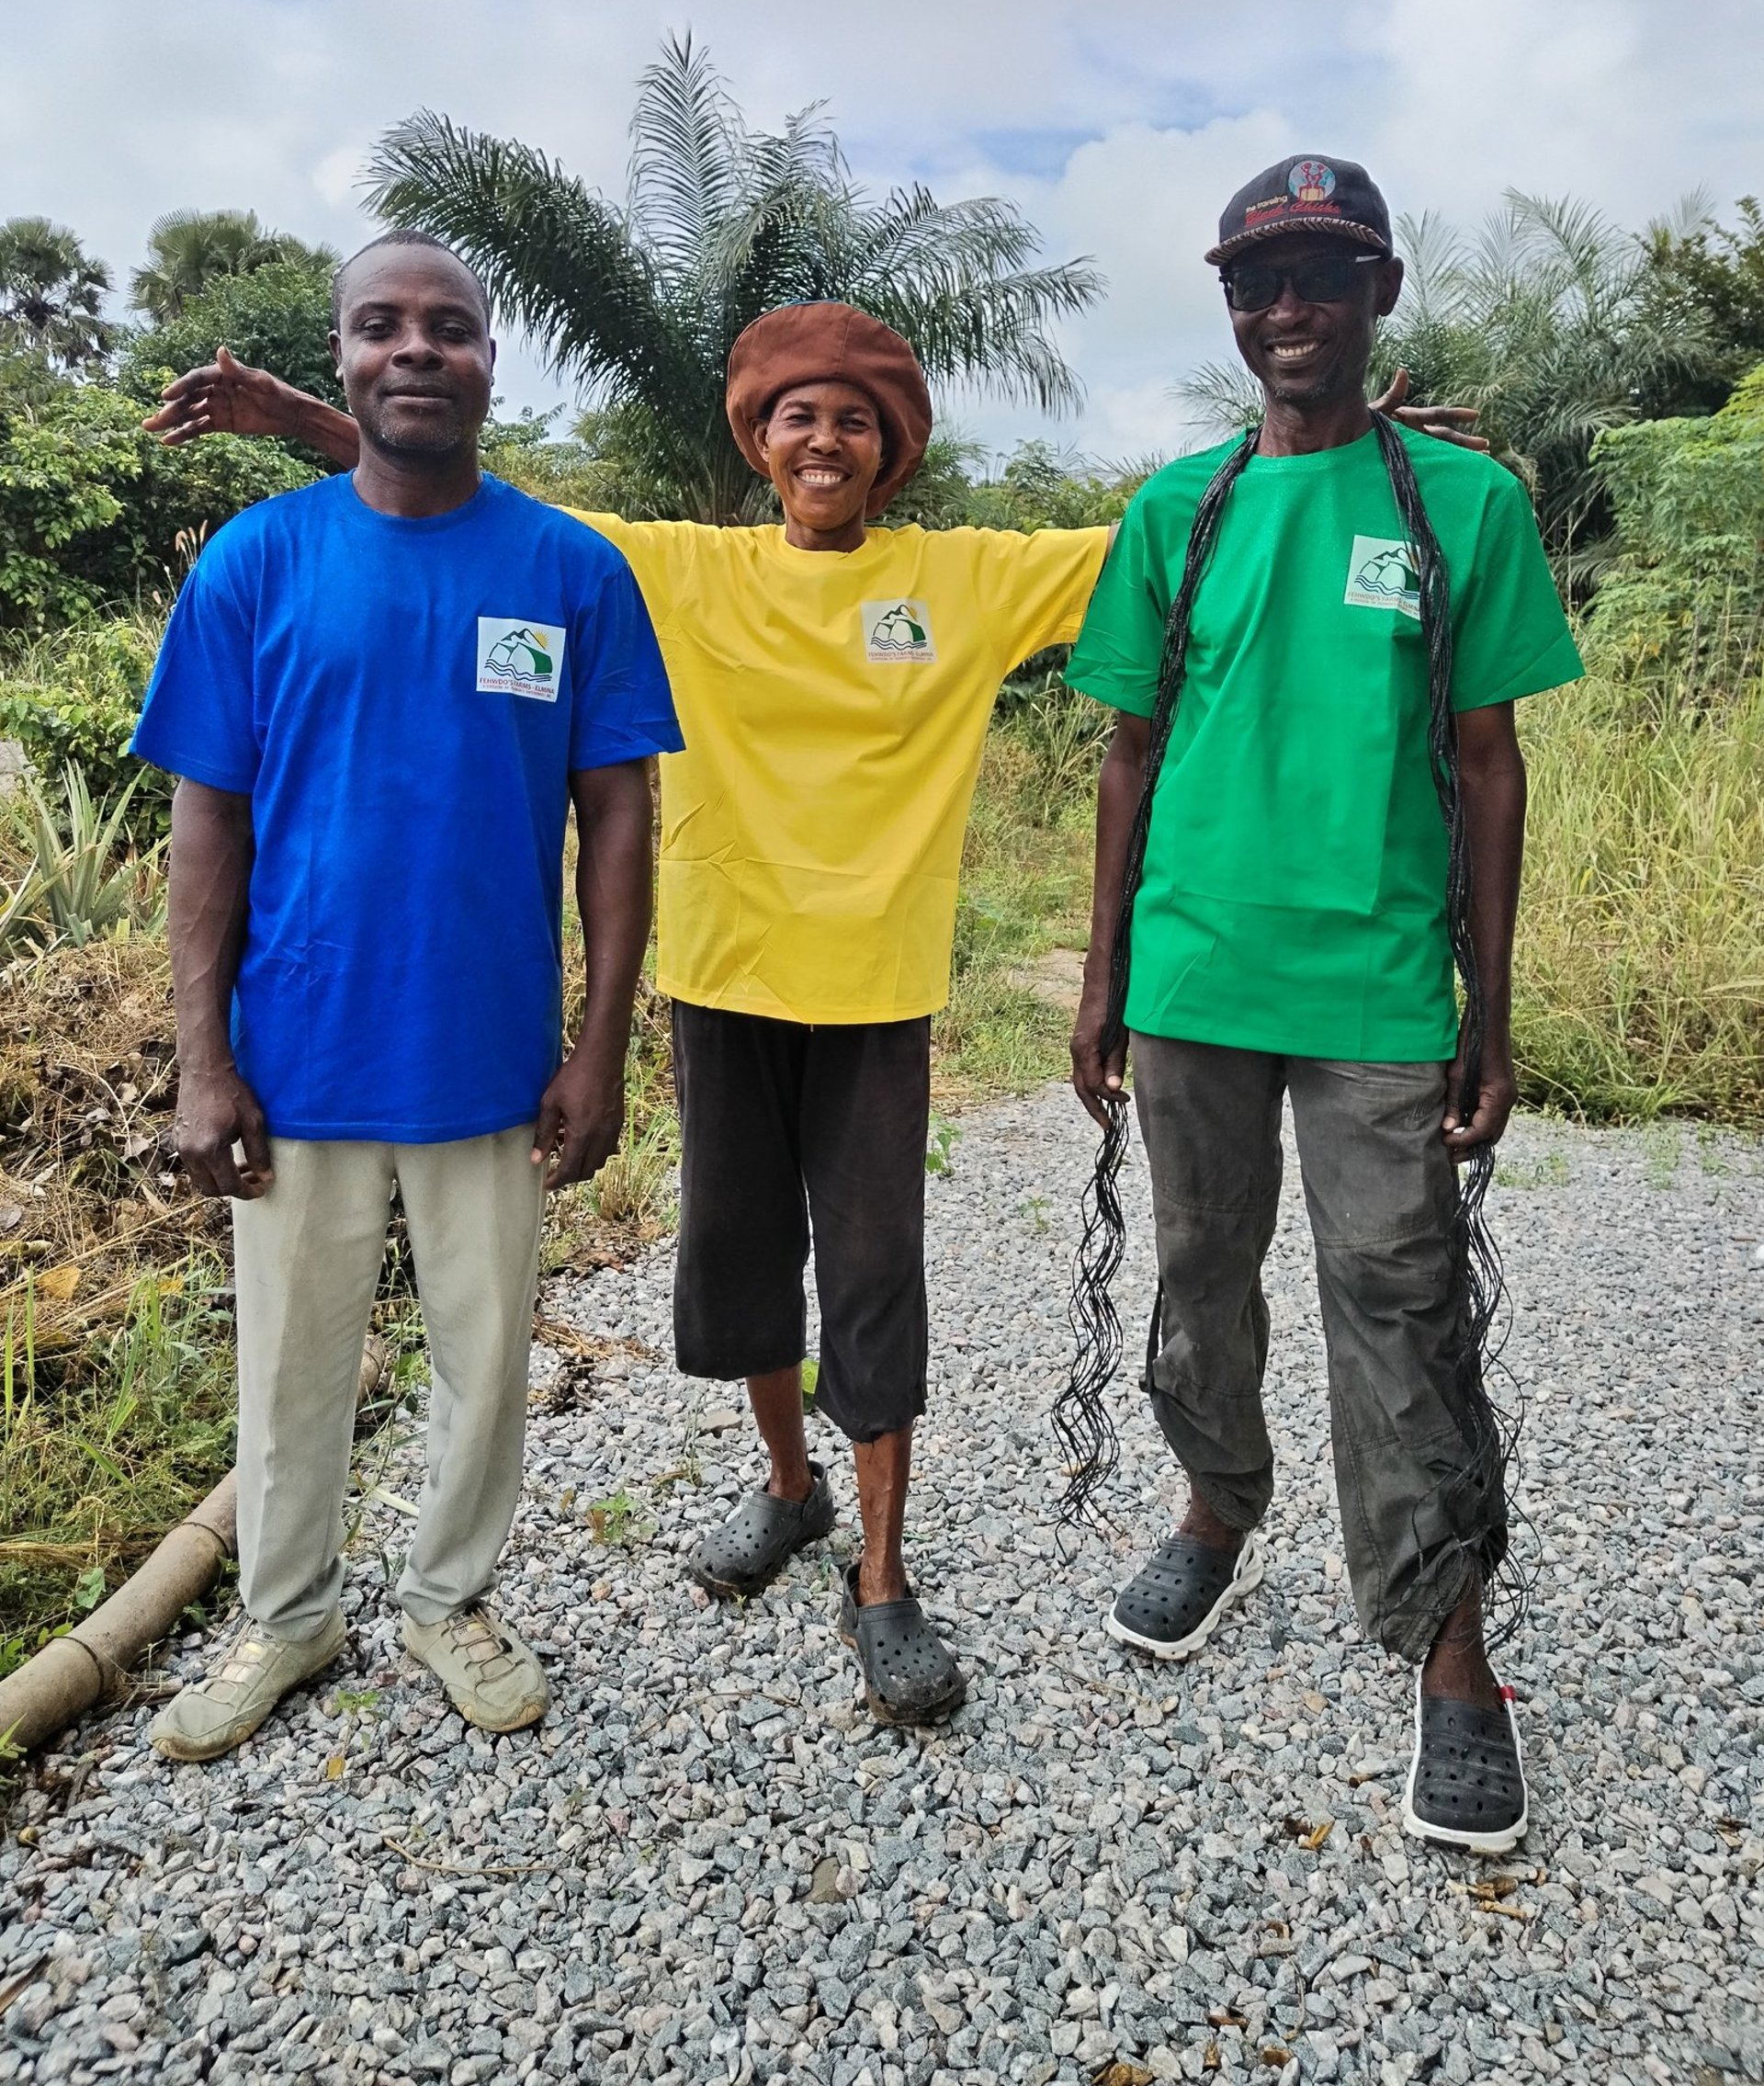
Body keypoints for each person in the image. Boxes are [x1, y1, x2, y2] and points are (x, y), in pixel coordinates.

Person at [148, 298, 1476, 1729]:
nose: (825, 439)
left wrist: (1349, 451)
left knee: (873, 1280)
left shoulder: (965, 579)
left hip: (876, 1000)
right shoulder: (683, 572)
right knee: (736, 1270)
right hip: (718, 984)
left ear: (891, 449)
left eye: (855, 418)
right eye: (798, 417)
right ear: (761, 444)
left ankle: (884, 1576)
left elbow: (1196, 535)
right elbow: (477, 499)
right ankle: (788, 1491)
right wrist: (302, 421)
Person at [1064, 156, 1583, 1853]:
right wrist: (1104, 979)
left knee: (1401, 1299)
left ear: (1380, 292)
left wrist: (1489, 1011)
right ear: (1231, 305)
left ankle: (1447, 1646)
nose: (1285, 306)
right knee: (1202, 1270)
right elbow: (1129, 753)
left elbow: (1491, 766)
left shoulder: (1459, 505)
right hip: (1197, 976)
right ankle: (1218, 1508)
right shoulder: (1178, 510)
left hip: (1375, 984)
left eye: (1321, 273)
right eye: (1257, 278)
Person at [131, 232, 682, 1762]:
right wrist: (202, 1061)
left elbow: (619, 815)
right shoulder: (259, 562)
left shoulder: (569, 569)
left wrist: (600, 1044)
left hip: (491, 1056)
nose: (417, 350)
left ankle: (450, 1597)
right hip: (293, 1053)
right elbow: (207, 824)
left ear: (491, 359)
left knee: (484, 1349)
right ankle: (288, 1617)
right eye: (383, 327)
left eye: (450, 328)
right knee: (289, 1357)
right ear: (347, 360)